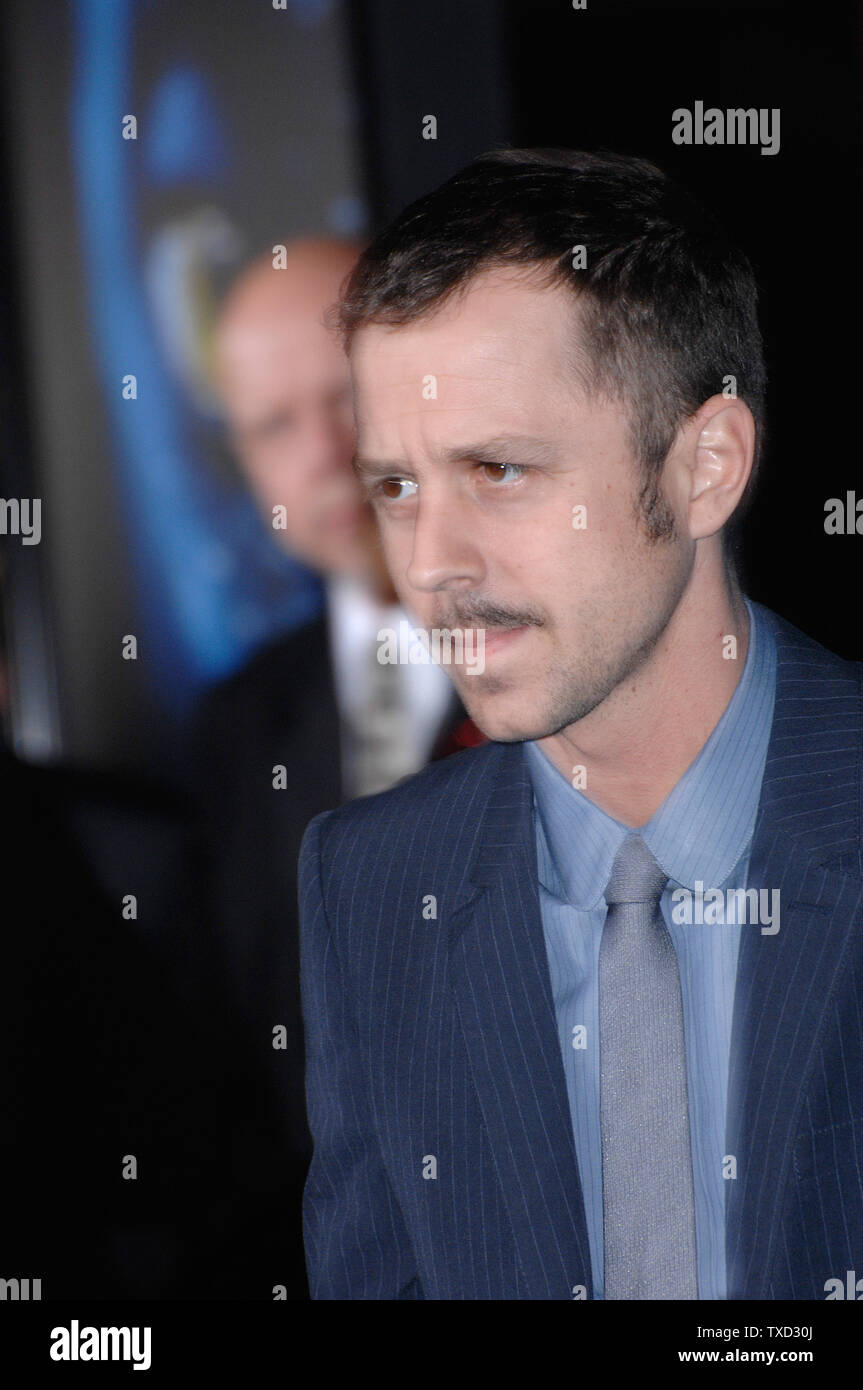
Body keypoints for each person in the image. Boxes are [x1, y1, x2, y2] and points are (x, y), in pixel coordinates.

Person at [298, 148, 863, 1300]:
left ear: (705, 464)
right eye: (395, 488)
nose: (428, 566)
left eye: (497, 470)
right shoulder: (367, 885)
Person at [188, 237, 478, 1297]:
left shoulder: (603, 644)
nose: (324, 451)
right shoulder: (235, 730)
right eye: (273, 426)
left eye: (345, 394)